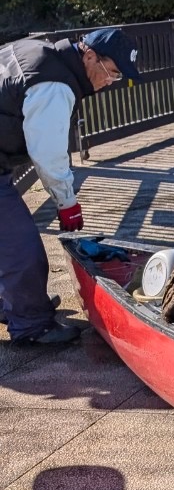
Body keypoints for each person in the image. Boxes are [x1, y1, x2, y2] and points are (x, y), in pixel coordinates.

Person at [0, 27, 140, 344]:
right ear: (89, 56)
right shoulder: (53, 85)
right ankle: (32, 326)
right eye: (112, 73)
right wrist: (67, 204)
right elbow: (48, 155)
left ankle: (14, 305)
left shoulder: (37, 51)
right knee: (21, 249)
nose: (109, 83)